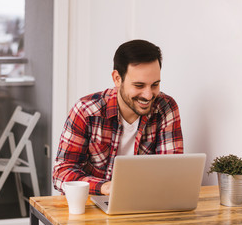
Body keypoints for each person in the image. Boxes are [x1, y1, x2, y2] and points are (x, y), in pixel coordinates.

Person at [53, 39, 183, 196]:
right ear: (117, 79)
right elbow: (61, 174)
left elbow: (171, 171)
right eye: (139, 86)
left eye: (155, 84)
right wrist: (105, 187)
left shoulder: (165, 107)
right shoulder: (86, 111)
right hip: (92, 206)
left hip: (145, 203)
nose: (149, 95)